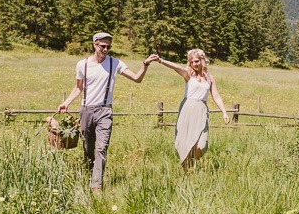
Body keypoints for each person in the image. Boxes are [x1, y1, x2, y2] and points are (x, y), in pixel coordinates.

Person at [57, 32, 158, 193]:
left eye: (108, 47)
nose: (105, 49)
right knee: (88, 148)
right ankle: (88, 174)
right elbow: (78, 87)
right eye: (102, 46)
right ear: (94, 45)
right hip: (86, 110)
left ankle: (96, 185)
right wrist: (66, 103)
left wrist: (145, 64)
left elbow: (137, 78)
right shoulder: (82, 65)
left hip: (105, 111)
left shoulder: (115, 63)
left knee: (101, 148)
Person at [153, 48, 230, 168]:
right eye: (192, 62)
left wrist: (224, 112)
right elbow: (176, 67)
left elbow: (216, 96)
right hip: (187, 110)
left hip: (201, 111)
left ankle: (194, 161)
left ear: (202, 60)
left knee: (201, 145)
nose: (195, 64)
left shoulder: (210, 78)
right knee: (186, 142)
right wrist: (161, 60)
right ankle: (187, 172)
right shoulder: (188, 75)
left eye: (197, 61)